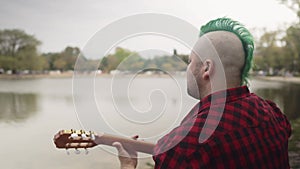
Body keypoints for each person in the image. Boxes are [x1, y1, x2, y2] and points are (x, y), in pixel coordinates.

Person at [113, 18, 292, 169]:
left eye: (190, 61)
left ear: (207, 68)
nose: (187, 69)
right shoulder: (272, 114)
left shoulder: (187, 148)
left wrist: (128, 166)